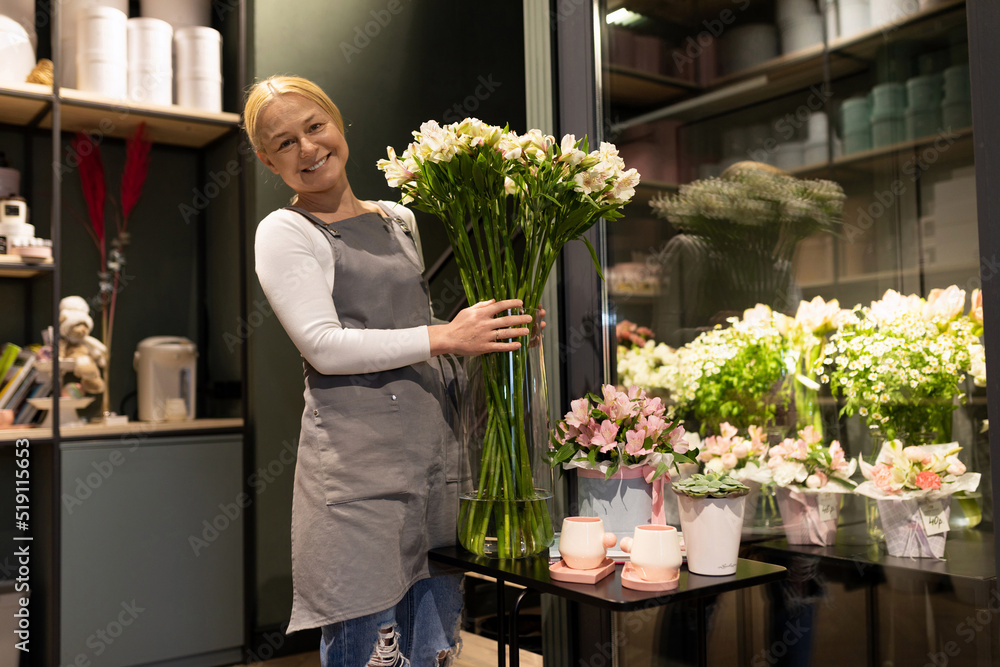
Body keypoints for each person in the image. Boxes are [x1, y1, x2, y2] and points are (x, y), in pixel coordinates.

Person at [246, 75, 534, 667]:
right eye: (283, 142)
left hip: (431, 458)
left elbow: (412, 329)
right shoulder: (285, 232)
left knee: (433, 647)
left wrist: (489, 332)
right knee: (368, 652)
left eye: (314, 126)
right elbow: (325, 347)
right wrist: (445, 335)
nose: (307, 148)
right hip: (359, 473)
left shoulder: (398, 218)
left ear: (339, 123)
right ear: (266, 160)